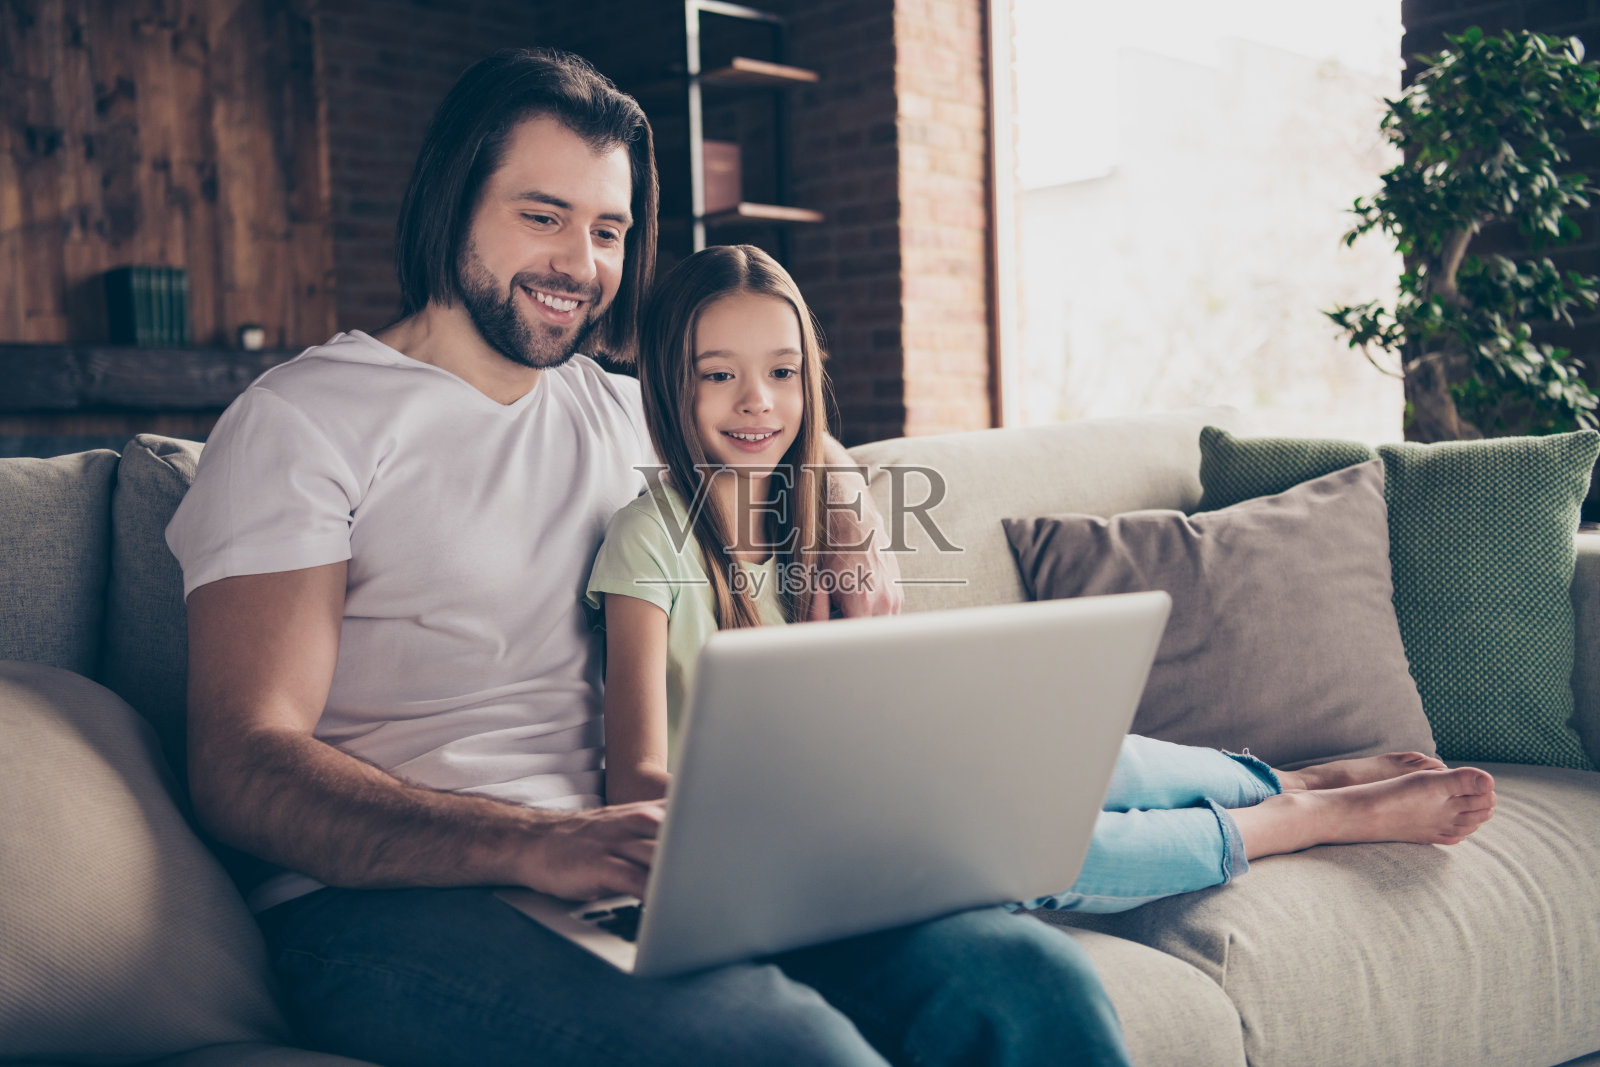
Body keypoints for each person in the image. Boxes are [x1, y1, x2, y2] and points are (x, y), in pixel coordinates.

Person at [167, 48, 1131, 1067]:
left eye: (609, 229)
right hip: (394, 907)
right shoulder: (305, 420)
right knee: (785, 1049)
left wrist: (843, 503)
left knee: (1026, 983)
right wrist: (529, 841)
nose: (579, 262)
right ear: (452, 203)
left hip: (656, 865)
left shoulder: (623, 406)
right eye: (542, 216)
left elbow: (783, 428)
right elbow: (241, 762)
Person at [588, 243, 1499, 922]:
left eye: (782, 374)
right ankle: (1300, 820)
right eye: (719, 376)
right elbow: (632, 771)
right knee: (1039, 850)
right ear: (671, 386)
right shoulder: (647, 538)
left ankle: (1282, 777)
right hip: (793, 836)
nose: (758, 402)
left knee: (1068, 762)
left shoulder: (818, 522)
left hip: (880, 779)